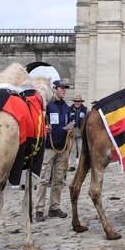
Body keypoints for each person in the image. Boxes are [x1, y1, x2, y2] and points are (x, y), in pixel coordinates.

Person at [35, 79, 73, 222]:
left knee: (58, 179)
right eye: (61, 88)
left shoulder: (66, 107)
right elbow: (41, 122)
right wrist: (45, 129)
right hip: (49, 146)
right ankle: (39, 208)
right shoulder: (48, 106)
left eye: (65, 88)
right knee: (44, 178)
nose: (64, 90)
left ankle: (54, 207)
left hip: (62, 146)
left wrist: (70, 128)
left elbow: (68, 121)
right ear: (55, 89)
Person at [67, 93, 87, 171]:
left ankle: (81, 164)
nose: (77, 102)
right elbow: (66, 120)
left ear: (81, 102)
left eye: (78, 101)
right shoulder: (70, 109)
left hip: (81, 132)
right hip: (72, 132)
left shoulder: (85, 109)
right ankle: (72, 165)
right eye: (75, 101)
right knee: (72, 150)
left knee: (81, 149)